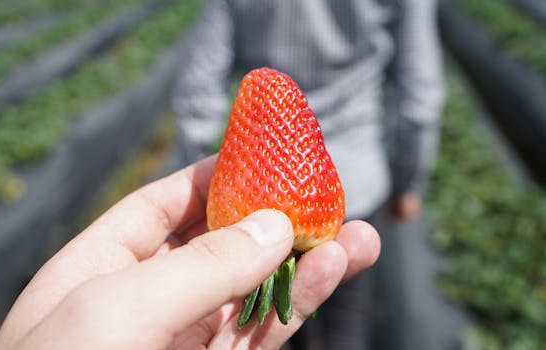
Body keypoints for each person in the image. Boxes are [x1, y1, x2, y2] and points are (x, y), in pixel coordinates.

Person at [171, 0, 444, 348]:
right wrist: (408, 180)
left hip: (254, 200)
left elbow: (201, 82)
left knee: (274, 328)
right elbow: (420, 92)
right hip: (350, 185)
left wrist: (196, 182)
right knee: (345, 321)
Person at [0, 156, 381, 350]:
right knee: (334, 317)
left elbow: (205, 68)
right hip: (345, 187)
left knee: (296, 309)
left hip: (270, 186)